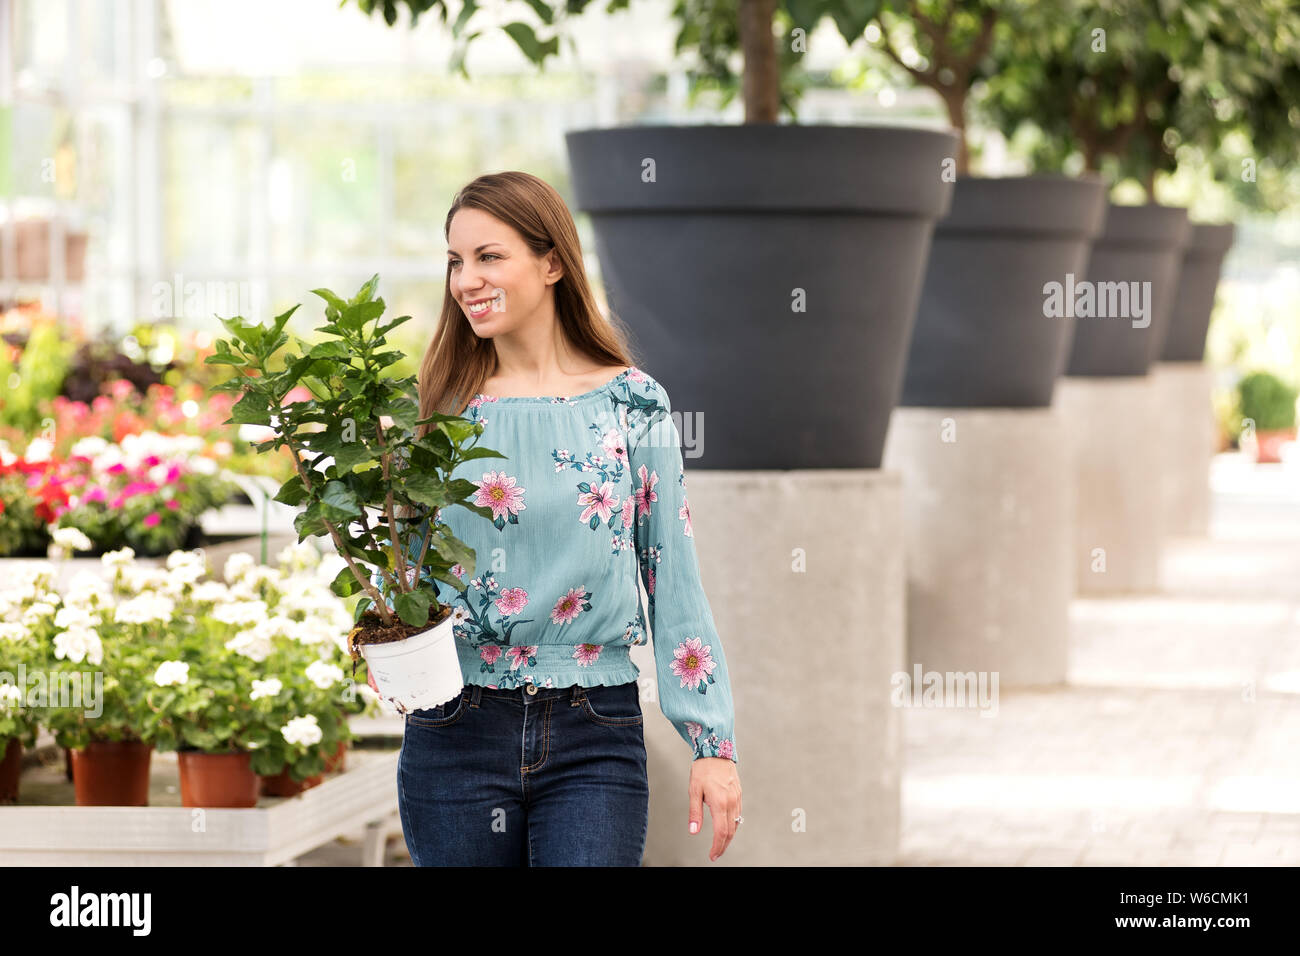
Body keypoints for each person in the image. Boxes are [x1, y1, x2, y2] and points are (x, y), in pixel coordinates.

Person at [370, 170, 741, 866]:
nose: (465, 280)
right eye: (455, 260)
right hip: (455, 728)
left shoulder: (634, 405)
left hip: (593, 731)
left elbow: (673, 574)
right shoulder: (434, 411)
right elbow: (402, 570)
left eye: (488, 256)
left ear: (551, 262)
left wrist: (711, 743)